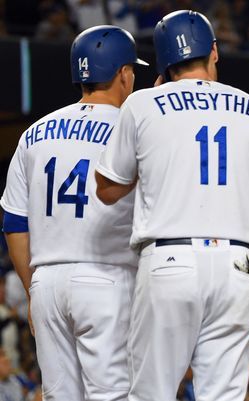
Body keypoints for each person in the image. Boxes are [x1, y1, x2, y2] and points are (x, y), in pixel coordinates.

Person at [94, 10, 249, 401]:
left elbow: (106, 189)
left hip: (169, 263)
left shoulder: (142, 105)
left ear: (163, 61)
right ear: (215, 52)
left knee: (150, 394)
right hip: (238, 269)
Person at [0, 25, 147, 400]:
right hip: (107, 277)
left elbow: (15, 223)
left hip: (47, 281)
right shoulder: (133, 128)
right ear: (123, 74)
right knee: (113, 394)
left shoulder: (34, 132)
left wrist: (34, 290)